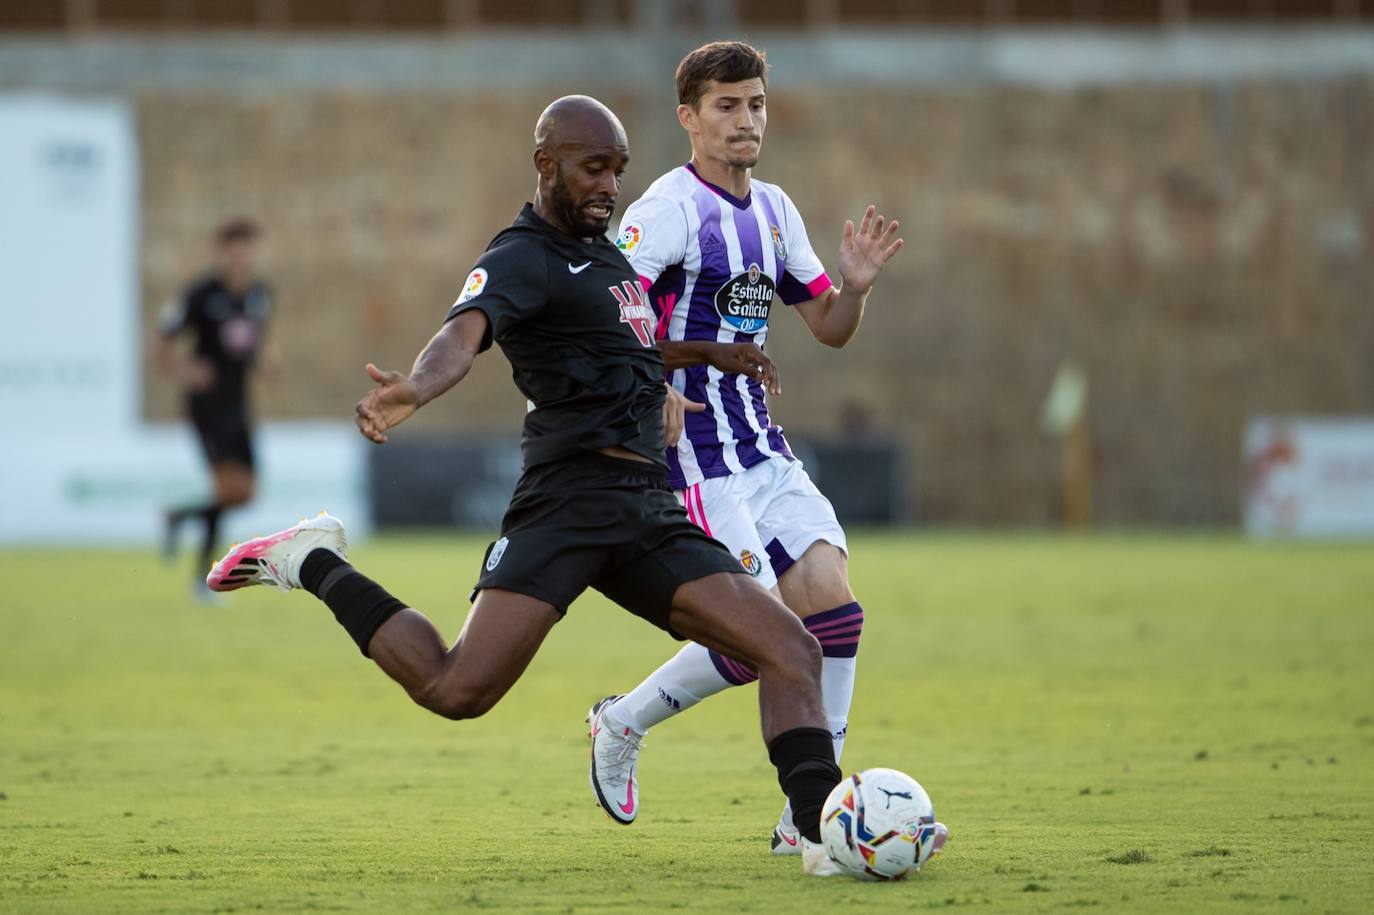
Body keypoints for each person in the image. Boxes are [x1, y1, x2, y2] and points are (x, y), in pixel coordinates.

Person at [203, 95, 851, 875]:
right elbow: (461, 335)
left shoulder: (608, 256)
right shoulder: (521, 255)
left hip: (647, 509)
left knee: (789, 647)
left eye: (617, 168)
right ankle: (311, 560)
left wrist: (705, 358)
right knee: (455, 686)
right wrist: (415, 386)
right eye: (593, 167)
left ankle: (820, 834)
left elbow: (621, 351)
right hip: (568, 505)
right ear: (547, 164)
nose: (609, 184)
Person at [586, 40, 941, 859]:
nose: (746, 122)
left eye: (755, 106)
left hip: (764, 448)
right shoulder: (667, 209)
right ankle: (621, 721)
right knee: (760, 642)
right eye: (727, 107)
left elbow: (828, 330)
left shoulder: (776, 210)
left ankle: (809, 812)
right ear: (689, 118)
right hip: (697, 456)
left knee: (836, 615)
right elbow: (610, 323)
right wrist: (662, 379)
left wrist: (853, 288)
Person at [154, 218, 275, 603]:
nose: (240, 255)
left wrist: (266, 363)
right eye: (233, 248)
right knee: (227, 488)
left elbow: (254, 345)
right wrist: (187, 370)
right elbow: (161, 343)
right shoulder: (201, 294)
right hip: (207, 407)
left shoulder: (260, 294)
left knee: (245, 493)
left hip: (239, 404)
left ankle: (179, 518)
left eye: (247, 247)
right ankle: (203, 581)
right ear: (222, 252)